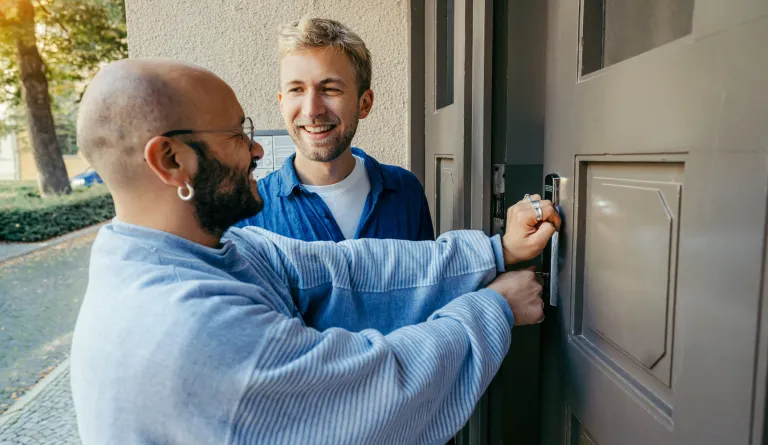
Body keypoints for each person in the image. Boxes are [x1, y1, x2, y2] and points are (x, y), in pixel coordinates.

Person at [69, 58, 561, 445]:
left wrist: (495, 250)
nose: (258, 150)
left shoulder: (215, 248)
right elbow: (379, 392)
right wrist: (494, 307)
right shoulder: (189, 328)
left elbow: (348, 269)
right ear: (171, 160)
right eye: (238, 134)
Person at [234, 18, 434, 242]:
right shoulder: (247, 212)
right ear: (282, 104)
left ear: (364, 103)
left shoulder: (406, 192)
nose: (312, 111)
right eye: (296, 90)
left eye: (330, 89)